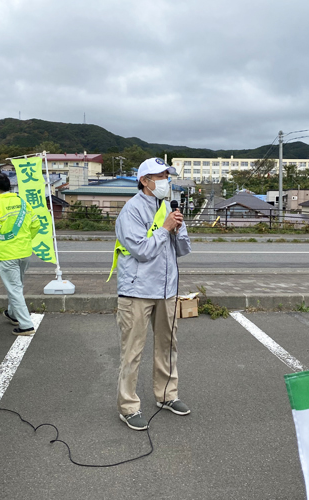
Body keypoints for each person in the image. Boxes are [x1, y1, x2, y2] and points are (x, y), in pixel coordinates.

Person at [110, 158, 192, 431]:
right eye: (159, 176)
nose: (165, 181)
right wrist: (166, 228)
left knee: (168, 345)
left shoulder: (170, 208)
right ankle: (128, 406)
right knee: (132, 350)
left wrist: (178, 231)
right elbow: (141, 251)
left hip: (167, 289)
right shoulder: (130, 211)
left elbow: (183, 250)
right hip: (137, 291)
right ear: (145, 181)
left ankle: (167, 395)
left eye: (167, 176)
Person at [0, 172, 41, 336]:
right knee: (17, 285)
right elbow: (36, 225)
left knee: (14, 289)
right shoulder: (23, 203)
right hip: (25, 251)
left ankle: (26, 325)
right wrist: (25, 238)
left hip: (7, 254)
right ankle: (13, 314)